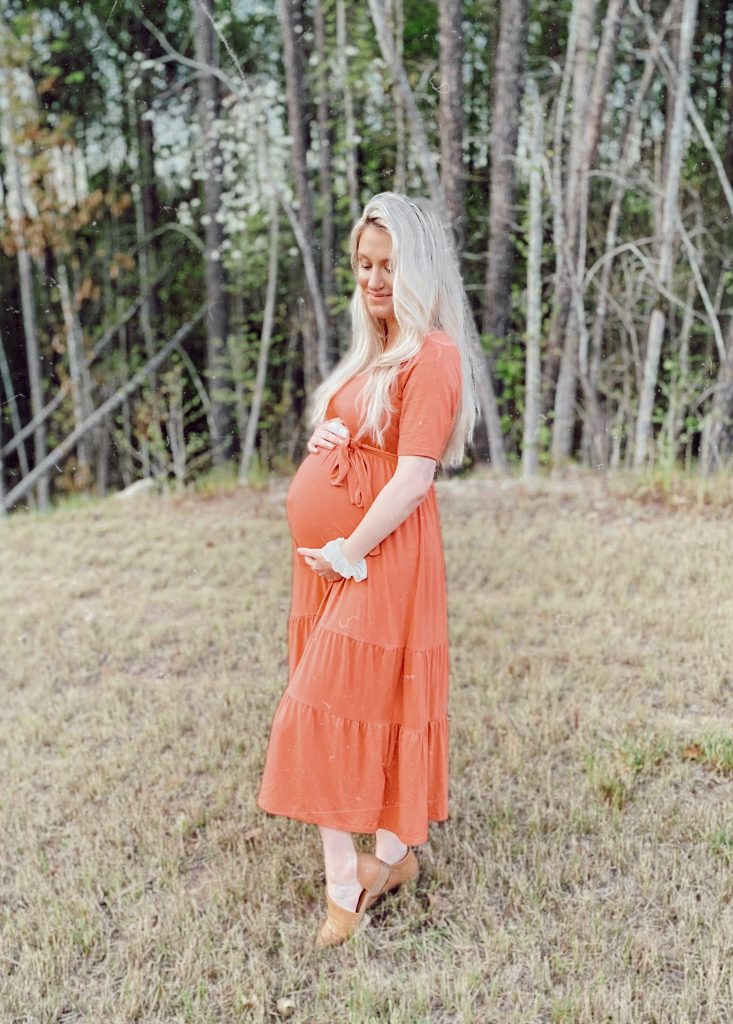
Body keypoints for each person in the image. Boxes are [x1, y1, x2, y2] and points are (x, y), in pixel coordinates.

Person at [257, 191, 478, 947]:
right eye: (363, 265)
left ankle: (347, 886)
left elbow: (414, 476)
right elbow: (362, 437)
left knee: (323, 704)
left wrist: (351, 551)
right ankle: (391, 856)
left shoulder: (434, 353)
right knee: (352, 701)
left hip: (378, 557)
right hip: (331, 561)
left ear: (417, 268)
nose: (374, 279)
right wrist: (331, 437)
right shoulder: (375, 347)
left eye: (388, 265)